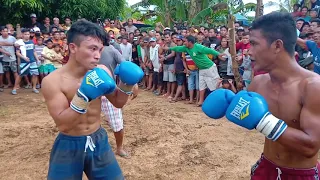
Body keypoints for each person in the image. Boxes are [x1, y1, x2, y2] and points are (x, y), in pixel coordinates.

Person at [202, 12, 320, 179]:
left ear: (277, 46)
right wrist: (228, 101)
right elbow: (243, 109)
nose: (249, 52)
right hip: (267, 167)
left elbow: (311, 147)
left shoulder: (313, 87)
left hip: (300, 174)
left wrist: (263, 121)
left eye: (254, 44)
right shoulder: (259, 83)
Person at [41, 20, 143, 180]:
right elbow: (63, 124)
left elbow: (118, 102)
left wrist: (127, 83)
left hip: (98, 138)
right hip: (69, 143)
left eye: (100, 50)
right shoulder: (52, 81)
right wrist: (84, 96)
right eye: (92, 49)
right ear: (73, 47)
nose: (98, 55)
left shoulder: (101, 70)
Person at [99, 36, 133, 158]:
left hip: (109, 90)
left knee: (117, 123)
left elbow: (125, 65)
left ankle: (119, 148)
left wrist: (132, 83)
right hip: (89, 90)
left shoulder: (110, 50)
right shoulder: (83, 51)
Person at [168, 35, 224, 107]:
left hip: (209, 68)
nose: (184, 43)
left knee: (215, 85)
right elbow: (178, 48)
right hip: (201, 69)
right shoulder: (186, 48)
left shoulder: (198, 47)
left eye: (185, 41)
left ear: (190, 42)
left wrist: (218, 54)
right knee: (201, 85)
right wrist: (169, 48)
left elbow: (209, 50)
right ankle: (200, 101)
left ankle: (220, 101)